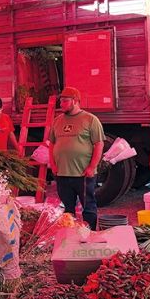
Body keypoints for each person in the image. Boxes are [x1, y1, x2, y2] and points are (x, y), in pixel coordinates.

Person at [49, 87, 104, 230]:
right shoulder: (57, 121)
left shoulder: (90, 119)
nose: (61, 104)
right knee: (67, 209)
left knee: (88, 207)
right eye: (61, 101)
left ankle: (90, 233)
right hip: (62, 173)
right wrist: (53, 165)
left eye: (65, 101)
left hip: (83, 174)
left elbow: (99, 144)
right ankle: (70, 235)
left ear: (75, 101)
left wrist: (92, 167)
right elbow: (52, 144)